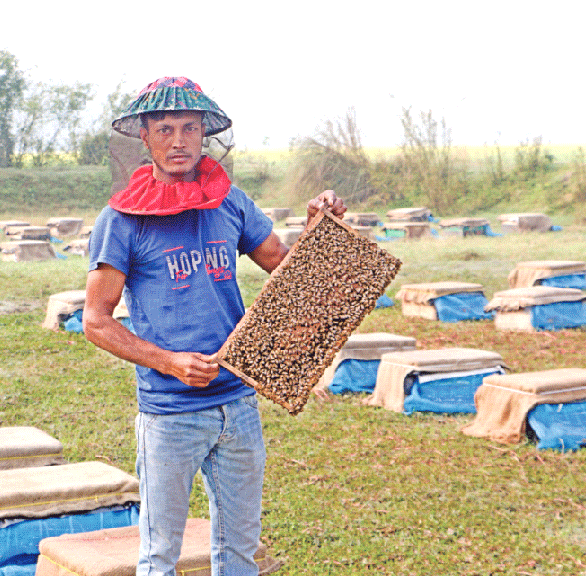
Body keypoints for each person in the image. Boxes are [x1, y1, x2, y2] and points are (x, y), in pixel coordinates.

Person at [82, 76, 345, 576]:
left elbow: (285, 269)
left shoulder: (231, 203)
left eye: (188, 128)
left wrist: (315, 226)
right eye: (164, 129)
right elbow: (96, 321)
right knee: (160, 556)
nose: (177, 140)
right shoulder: (120, 220)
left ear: (206, 134)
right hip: (170, 413)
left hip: (238, 403)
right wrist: (168, 362)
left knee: (238, 552)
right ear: (144, 137)